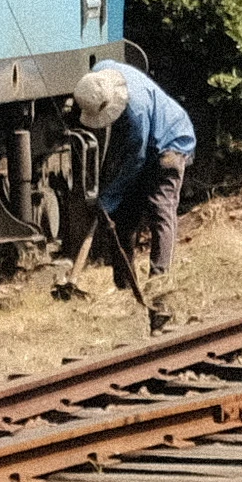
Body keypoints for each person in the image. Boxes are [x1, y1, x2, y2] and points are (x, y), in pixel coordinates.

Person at [74, 55, 202, 327]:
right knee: (122, 218)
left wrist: (108, 196)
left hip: (171, 143)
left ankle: (159, 286)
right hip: (144, 146)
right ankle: (124, 286)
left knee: (160, 210)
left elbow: (136, 160)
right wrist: (111, 202)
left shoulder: (137, 113)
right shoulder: (99, 75)